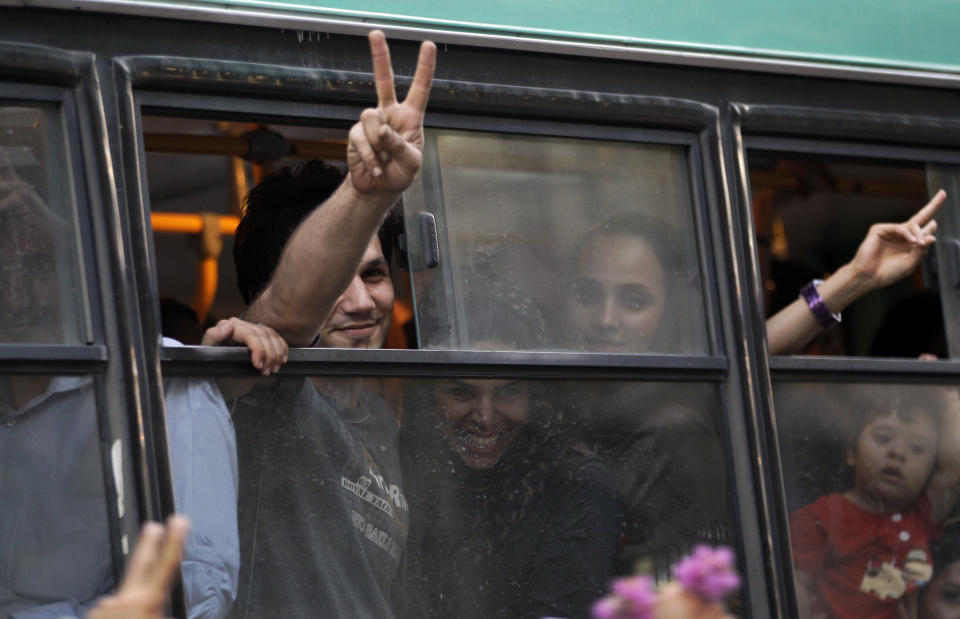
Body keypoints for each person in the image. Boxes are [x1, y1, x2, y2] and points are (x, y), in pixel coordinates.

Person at [0, 140, 286, 619]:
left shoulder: (160, 384)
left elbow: (197, 590)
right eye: (5, 265)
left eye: (40, 264)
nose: (16, 290)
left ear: (79, 267)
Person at [213, 30, 436, 618]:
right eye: (335, 280)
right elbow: (285, 317)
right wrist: (367, 196)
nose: (362, 303)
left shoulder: (383, 419)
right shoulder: (268, 393)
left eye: (375, 274)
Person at [402, 279, 620, 619]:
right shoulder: (404, 466)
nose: (485, 417)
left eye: (508, 393)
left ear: (536, 397)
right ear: (427, 394)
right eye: (461, 393)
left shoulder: (575, 483)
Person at [789, 386, 960, 619]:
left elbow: (955, 465)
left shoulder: (922, 515)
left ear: (931, 467)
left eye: (917, 448)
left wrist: (946, 396)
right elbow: (797, 584)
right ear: (851, 451)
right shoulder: (824, 517)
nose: (898, 452)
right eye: (883, 438)